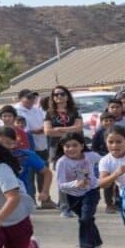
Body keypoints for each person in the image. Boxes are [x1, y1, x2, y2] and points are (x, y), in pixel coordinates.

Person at [55, 132, 103, 248]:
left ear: (82, 145)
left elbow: (106, 160)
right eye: (67, 146)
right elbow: (61, 185)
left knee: (85, 218)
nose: (71, 149)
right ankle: (97, 246)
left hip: (91, 191)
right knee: (88, 221)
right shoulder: (62, 162)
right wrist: (75, 183)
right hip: (73, 196)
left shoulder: (91, 156)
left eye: (74, 145)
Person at [44, 86, 84, 217]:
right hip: (57, 148)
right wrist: (69, 130)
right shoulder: (50, 113)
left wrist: (59, 130)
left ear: (67, 96)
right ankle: (65, 207)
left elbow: (79, 128)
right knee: (63, 177)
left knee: (79, 174)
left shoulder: (74, 111)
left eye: (62, 94)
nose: (59, 97)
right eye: (55, 95)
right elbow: (48, 131)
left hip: (75, 146)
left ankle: (77, 205)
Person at [0, 127, 53, 208]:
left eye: (8, 143)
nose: (4, 147)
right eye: (0, 144)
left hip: (21, 197)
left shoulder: (26, 155)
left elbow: (47, 173)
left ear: (15, 142)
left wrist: (45, 191)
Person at [13, 89, 49, 201]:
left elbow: (45, 121)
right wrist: (34, 131)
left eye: (33, 98)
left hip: (42, 145)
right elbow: (19, 129)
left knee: (42, 173)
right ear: (21, 98)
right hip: (27, 147)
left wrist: (44, 128)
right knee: (29, 175)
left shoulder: (37, 110)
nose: (31, 100)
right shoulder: (16, 110)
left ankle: (44, 199)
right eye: (28, 97)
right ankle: (30, 199)